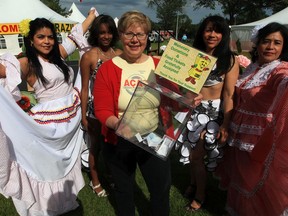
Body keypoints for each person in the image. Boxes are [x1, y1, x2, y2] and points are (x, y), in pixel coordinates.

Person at [93, 10, 202, 216]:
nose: (135, 40)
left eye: (140, 34)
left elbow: (173, 101)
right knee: (124, 190)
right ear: (121, 35)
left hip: (154, 136)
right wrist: (120, 125)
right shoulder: (107, 69)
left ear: (147, 36)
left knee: (160, 189)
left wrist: (188, 100)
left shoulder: (160, 64)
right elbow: (102, 109)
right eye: (129, 34)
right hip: (118, 139)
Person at [0, 9, 97, 216]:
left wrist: (91, 16)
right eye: (41, 37)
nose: (47, 41)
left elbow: (75, 33)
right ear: (31, 40)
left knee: (63, 167)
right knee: (46, 168)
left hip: (69, 123)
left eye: (50, 37)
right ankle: (42, 208)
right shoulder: (26, 62)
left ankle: (63, 203)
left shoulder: (59, 55)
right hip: (48, 127)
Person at [215, 22, 288, 216]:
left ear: (283, 47)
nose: (271, 47)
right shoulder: (253, 67)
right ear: (258, 44)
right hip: (238, 130)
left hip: (259, 136)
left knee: (255, 180)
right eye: (266, 41)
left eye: (277, 43)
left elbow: (283, 80)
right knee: (241, 176)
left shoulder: (280, 70)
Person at [180, 15, 239, 212]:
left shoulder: (229, 60)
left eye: (217, 30)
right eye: (208, 30)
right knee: (190, 149)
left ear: (223, 34)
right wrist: (188, 96)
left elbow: (229, 95)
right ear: (201, 32)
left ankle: (201, 195)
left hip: (214, 115)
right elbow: (185, 87)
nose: (212, 34)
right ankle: (194, 183)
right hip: (192, 111)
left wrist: (225, 124)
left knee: (197, 157)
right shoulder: (193, 55)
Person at [80, 14, 122, 197]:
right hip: (95, 110)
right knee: (96, 146)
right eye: (102, 33)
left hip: (116, 110)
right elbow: (83, 89)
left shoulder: (119, 55)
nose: (106, 36)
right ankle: (95, 180)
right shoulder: (89, 56)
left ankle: (112, 173)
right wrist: (83, 116)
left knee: (113, 146)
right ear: (95, 34)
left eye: (109, 32)